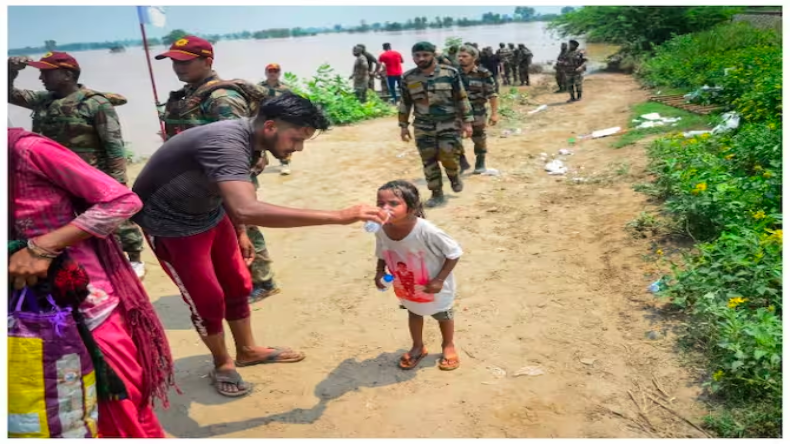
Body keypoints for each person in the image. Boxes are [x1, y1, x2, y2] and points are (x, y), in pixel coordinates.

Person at [131, 93, 387, 397]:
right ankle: (223, 362)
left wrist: (239, 230)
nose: (298, 148)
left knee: (239, 284)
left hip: (211, 213)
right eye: (295, 138)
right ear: (269, 126)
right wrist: (338, 216)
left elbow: (233, 196)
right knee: (208, 299)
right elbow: (247, 207)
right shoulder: (225, 143)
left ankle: (248, 349)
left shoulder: (253, 142)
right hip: (172, 224)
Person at [8, 128, 175, 437]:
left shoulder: (28, 151)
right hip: (18, 320)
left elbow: (122, 201)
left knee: (117, 415)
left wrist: (43, 246)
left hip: (82, 311)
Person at [8, 52, 146, 279]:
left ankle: (134, 258)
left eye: (47, 72)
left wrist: (118, 181)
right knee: (72, 221)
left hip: (91, 173)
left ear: (67, 74)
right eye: (40, 72)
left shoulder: (95, 104)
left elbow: (113, 145)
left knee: (116, 218)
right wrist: (10, 71)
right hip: (54, 176)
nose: (41, 77)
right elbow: (7, 93)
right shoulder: (43, 100)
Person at [373, 180, 462, 371]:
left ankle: (448, 344)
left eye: (393, 203)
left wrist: (439, 279)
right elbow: (382, 249)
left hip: (433, 286)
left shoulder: (426, 230)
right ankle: (417, 346)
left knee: (443, 315)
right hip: (407, 286)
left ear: (411, 207)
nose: (385, 208)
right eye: (380, 204)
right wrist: (379, 272)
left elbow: (454, 252)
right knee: (414, 312)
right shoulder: (381, 228)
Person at [399, 41, 473, 208]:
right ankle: (436, 193)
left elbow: (461, 98)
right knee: (428, 160)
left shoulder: (450, 73)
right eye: (417, 55)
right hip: (423, 126)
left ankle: (453, 176)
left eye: (425, 55)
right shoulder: (409, 77)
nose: (421, 58)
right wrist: (403, 125)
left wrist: (467, 122)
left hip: (448, 124)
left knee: (448, 156)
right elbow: (405, 103)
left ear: (433, 55)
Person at [157, 35, 264, 139]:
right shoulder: (189, 94)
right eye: (175, 62)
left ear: (207, 62)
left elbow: (233, 146)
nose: (178, 67)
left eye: (185, 62)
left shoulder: (222, 98)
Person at [457, 45, 499, 175]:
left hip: (477, 112)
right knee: (452, 138)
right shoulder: (453, 73)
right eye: (459, 56)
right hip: (456, 112)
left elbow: (492, 95)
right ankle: (461, 161)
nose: (461, 59)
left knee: (479, 138)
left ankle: (480, 162)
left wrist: (494, 114)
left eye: (464, 56)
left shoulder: (483, 73)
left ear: (474, 58)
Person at [259, 63, 293, 175]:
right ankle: (258, 163)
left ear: (279, 73)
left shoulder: (285, 89)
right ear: (266, 73)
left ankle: (285, 163)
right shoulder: (259, 87)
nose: (273, 74)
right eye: (270, 71)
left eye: (275, 71)